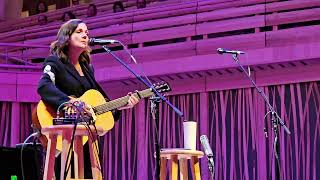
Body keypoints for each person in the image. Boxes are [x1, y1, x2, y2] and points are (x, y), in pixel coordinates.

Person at [37, 19, 139, 178]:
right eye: (79, 32)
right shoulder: (54, 62)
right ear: (66, 36)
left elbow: (99, 102)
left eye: (87, 33)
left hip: (86, 135)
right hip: (65, 134)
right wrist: (69, 101)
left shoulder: (88, 68)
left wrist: (121, 105)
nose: (85, 35)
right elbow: (43, 86)